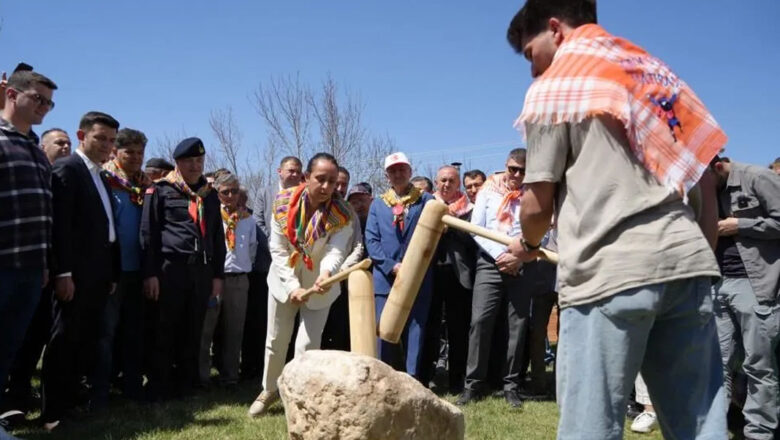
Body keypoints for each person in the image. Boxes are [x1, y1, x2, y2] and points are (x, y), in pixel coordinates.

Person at [506, 1, 728, 438]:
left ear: (555, 29)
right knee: (701, 428)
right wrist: (701, 256)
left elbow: (536, 205)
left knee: (590, 427)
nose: (533, 71)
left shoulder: (560, 83)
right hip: (688, 268)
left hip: (608, 272)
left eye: (531, 54)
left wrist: (529, 245)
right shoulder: (654, 76)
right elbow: (702, 180)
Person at [248, 153, 354, 417]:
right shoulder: (282, 203)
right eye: (321, 179)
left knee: (307, 346)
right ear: (306, 177)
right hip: (284, 282)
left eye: (333, 181)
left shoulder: (343, 213)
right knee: (276, 340)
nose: (328, 187)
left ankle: (300, 398)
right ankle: (269, 390)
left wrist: (327, 273)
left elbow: (337, 249)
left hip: (321, 286)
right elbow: (278, 248)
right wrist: (292, 285)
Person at [42, 111, 121, 430]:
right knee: (64, 339)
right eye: (100, 138)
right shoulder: (68, 169)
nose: (106, 145)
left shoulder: (100, 175)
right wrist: (63, 273)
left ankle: (72, 401)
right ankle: (52, 412)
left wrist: (112, 273)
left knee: (84, 340)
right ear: (81, 136)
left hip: (99, 274)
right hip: (74, 275)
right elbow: (60, 226)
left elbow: (107, 227)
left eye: (112, 140)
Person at [140, 137, 226, 401]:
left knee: (193, 329)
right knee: (165, 328)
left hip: (200, 272)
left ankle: (186, 386)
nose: (195, 166)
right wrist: (150, 273)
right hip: (170, 271)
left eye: (199, 161)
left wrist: (217, 276)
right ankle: (159, 386)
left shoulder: (209, 196)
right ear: (177, 162)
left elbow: (216, 237)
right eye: (189, 161)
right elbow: (148, 234)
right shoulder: (161, 190)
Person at [0, 70, 57, 436]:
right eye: (38, 99)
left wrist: (47, 265)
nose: (44, 109)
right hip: (3, 266)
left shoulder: (36, 150)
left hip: (32, 269)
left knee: (8, 349)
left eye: (49, 104)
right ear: (10, 93)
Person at [456, 149, 534, 409]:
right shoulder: (488, 190)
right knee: (480, 322)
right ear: (506, 166)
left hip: (522, 265)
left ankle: (511, 386)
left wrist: (518, 259)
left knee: (517, 325)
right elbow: (476, 229)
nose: (517, 175)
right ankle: (473, 385)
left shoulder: (535, 195)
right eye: (513, 168)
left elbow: (542, 232)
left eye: (523, 170)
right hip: (489, 263)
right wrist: (502, 255)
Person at [710, 155, 780, 440]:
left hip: (756, 285)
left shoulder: (758, 178)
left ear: (717, 167)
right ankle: (713, 430)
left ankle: (759, 433)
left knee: (758, 365)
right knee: (716, 363)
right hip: (717, 283)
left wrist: (740, 225)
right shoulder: (707, 188)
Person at [365, 152, 434, 380]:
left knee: (416, 330)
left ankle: (413, 379)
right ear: (387, 176)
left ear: (410, 172)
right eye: (393, 170)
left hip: (418, 278)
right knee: (383, 330)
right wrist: (391, 266)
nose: (398, 173)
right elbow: (372, 241)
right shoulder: (377, 204)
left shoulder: (426, 201)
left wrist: (412, 267)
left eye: (402, 169)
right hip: (386, 278)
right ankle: (384, 380)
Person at [96, 128, 151, 402]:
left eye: (140, 152)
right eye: (129, 151)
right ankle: (100, 391)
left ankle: (132, 387)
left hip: (138, 271)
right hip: (112, 271)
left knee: (134, 332)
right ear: (116, 152)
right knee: (105, 334)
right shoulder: (105, 181)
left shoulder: (146, 185)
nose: (136, 158)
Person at [420, 165, 476, 393]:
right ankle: (426, 377)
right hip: (430, 275)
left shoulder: (470, 209)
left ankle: (456, 381)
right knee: (429, 329)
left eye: (451, 181)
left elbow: (474, 242)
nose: (446, 185)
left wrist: (452, 224)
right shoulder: (425, 205)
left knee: (458, 331)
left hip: (458, 276)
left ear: (458, 184)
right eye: (443, 180)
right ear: (437, 181)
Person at [199, 173, 257, 388]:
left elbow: (252, 248)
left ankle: (230, 376)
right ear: (218, 193)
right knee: (207, 329)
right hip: (215, 279)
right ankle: (202, 376)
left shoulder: (247, 219)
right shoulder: (210, 215)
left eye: (234, 191)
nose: (230, 196)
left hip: (239, 280)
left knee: (234, 330)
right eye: (225, 192)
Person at [322, 167, 365, 351]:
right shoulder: (315, 208)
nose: (340, 188)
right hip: (317, 279)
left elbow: (358, 246)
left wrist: (341, 272)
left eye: (344, 184)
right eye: (336, 183)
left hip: (342, 279)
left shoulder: (350, 212)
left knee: (340, 329)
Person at [253, 156, 303, 240]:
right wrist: (274, 244)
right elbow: (258, 222)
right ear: (279, 171)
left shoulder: (305, 195)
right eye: (291, 171)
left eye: (298, 172)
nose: (295, 174)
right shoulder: (264, 194)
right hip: (269, 248)